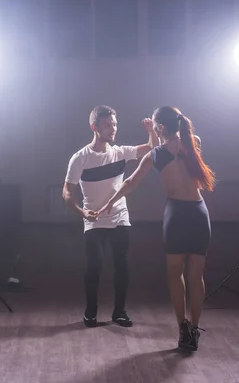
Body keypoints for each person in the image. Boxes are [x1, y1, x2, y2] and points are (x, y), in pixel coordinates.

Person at [97, 106, 215, 350]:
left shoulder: (154, 155)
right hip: (198, 213)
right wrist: (158, 131)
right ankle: (193, 328)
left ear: (160, 127)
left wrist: (109, 202)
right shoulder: (193, 142)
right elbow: (180, 141)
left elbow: (130, 183)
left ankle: (183, 329)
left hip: (177, 216)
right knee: (196, 276)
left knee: (175, 274)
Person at [62, 105, 158, 328]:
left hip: (119, 217)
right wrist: (82, 212)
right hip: (93, 220)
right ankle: (91, 312)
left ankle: (119, 312)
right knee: (94, 266)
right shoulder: (80, 158)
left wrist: (151, 131)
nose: (113, 129)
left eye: (114, 124)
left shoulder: (120, 152)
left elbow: (153, 148)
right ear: (94, 127)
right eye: (108, 125)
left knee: (121, 266)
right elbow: (67, 191)